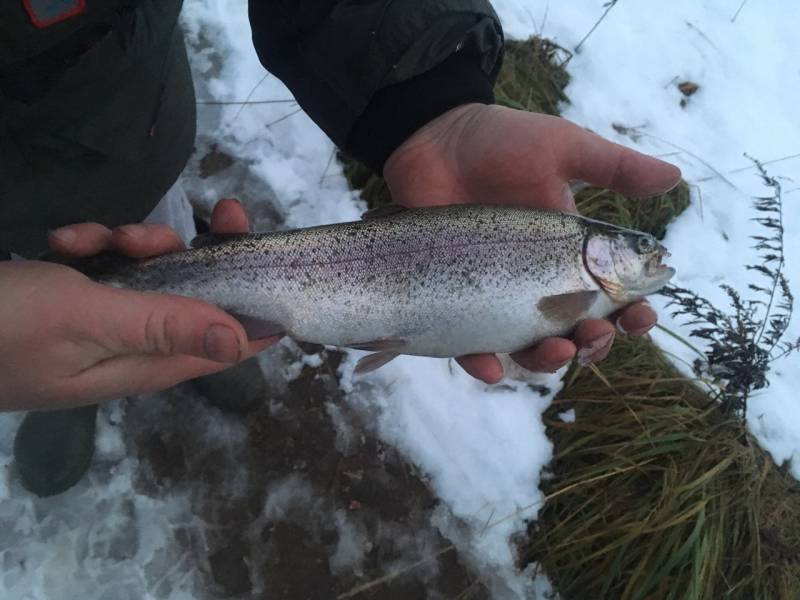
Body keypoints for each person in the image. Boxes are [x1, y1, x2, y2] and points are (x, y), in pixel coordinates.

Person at [0, 1, 681, 496]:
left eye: (642, 252)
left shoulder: (578, 277)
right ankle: (64, 388)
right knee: (58, 288)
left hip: (122, 122)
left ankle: (195, 322)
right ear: (603, 256)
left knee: (140, 243)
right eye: (641, 249)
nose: (651, 261)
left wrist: (428, 95)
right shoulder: (579, 276)